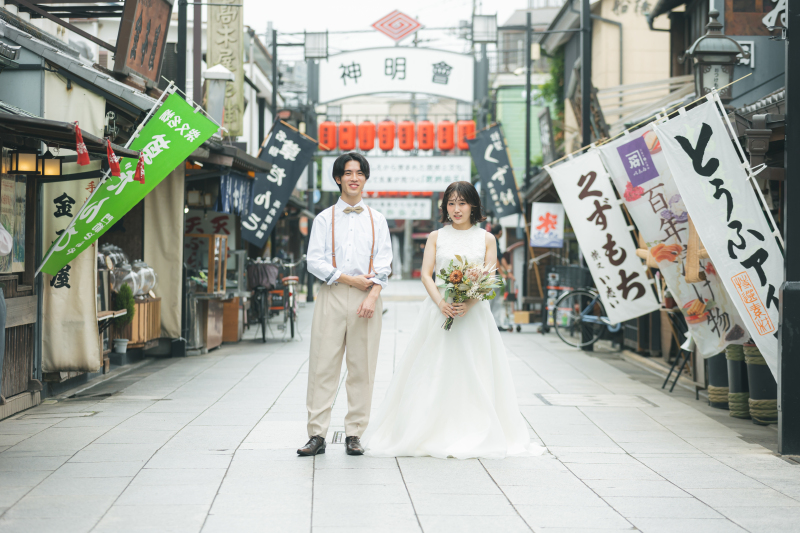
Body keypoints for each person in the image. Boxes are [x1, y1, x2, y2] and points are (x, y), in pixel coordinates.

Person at [362, 181, 546, 459]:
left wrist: (468, 303)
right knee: (433, 369)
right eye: (451, 203)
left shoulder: (486, 239)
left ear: (474, 206)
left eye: (462, 203)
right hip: (438, 313)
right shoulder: (437, 236)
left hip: (473, 315)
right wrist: (442, 303)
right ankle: (428, 427)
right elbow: (426, 274)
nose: (456, 209)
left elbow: (490, 277)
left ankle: (475, 427)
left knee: (475, 369)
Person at [299, 152, 392, 457]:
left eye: (359, 173)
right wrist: (349, 280)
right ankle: (316, 434)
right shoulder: (325, 218)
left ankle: (354, 433)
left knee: (362, 367)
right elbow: (314, 261)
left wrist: (372, 296)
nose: (354, 178)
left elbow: (384, 264)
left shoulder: (378, 220)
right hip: (333, 293)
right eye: (348, 173)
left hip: (368, 298)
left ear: (366, 178)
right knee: (322, 365)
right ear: (338, 178)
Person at [488, 225, 510, 331]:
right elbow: (495, 259)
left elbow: (501, 258)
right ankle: (492, 324)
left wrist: (508, 272)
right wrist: (502, 273)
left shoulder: (494, 240)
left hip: (491, 275)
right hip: (492, 275)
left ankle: (494, 324)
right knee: (491, 301)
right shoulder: (493, 240)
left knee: (494, 300)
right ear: (500, 232)